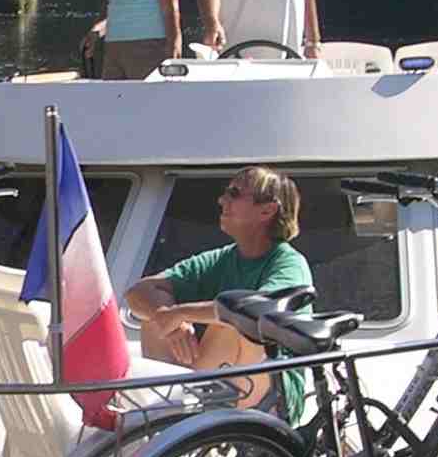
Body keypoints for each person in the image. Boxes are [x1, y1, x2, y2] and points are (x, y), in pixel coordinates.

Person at [122, 167, 312, 417]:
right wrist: (166, 318)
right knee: (153, 317)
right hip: (218, 382)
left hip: (272, 396)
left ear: (267, 210)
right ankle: (171, 412)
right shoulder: (222, 258)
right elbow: (138, 291)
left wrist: (178, 314)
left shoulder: (288, 262)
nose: (222, 200)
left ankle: (182, 411)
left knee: (234, 321)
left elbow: (259, 309)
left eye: (234, 194)